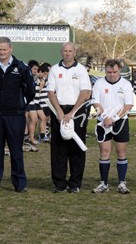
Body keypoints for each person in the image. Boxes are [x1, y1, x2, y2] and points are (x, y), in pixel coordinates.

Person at [47, 42, 92, 193]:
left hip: (77, 111)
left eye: (70, 51)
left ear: (74, 52)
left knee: (76, 148)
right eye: (65, 51)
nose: (67, 53)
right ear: (61, 52)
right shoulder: (54, 69)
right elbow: (50, 92)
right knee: (58, 148)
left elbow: (85, 92)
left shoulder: (81, 70)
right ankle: (59, 183)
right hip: (58, 110)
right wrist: (59, 112)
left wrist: (71, 113)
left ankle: (74, 184)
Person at [91, 59, 133, 194]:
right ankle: (104, 183)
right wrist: (105, 118)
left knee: (121, 152)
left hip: (120, 121)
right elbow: (95, 103)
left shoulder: (126, 84)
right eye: (109, 72)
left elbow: (128, 105)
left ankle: (122, 183)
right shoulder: (98, 83)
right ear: (105, 71)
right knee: (104, 152)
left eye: (115, 72)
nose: (112, 74)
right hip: (103, 122)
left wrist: (114, 118)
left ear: (119, 70)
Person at [0, 36, 35, 192]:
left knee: (16, 151)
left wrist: (22, 103)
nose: (1, 52)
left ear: (11, 49)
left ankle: (20, 184)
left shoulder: (21, 67)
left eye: (4, 49)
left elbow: (31, 89)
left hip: (15, 115)